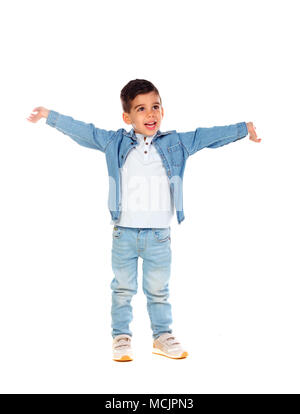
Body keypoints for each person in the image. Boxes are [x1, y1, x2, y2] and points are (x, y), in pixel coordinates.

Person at [27, 79, 261, 362]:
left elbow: (207, 136)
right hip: (123, 234)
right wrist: (49, 116)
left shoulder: (176, 143)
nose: (150, 114)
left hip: (159, 236)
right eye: (141, 109)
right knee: (123, 288)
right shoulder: (114, 141)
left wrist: (243, 129)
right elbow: (84, 131)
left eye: (155, 107)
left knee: (158, 289)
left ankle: (162, 337)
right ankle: (121, 337)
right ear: (127, 117)